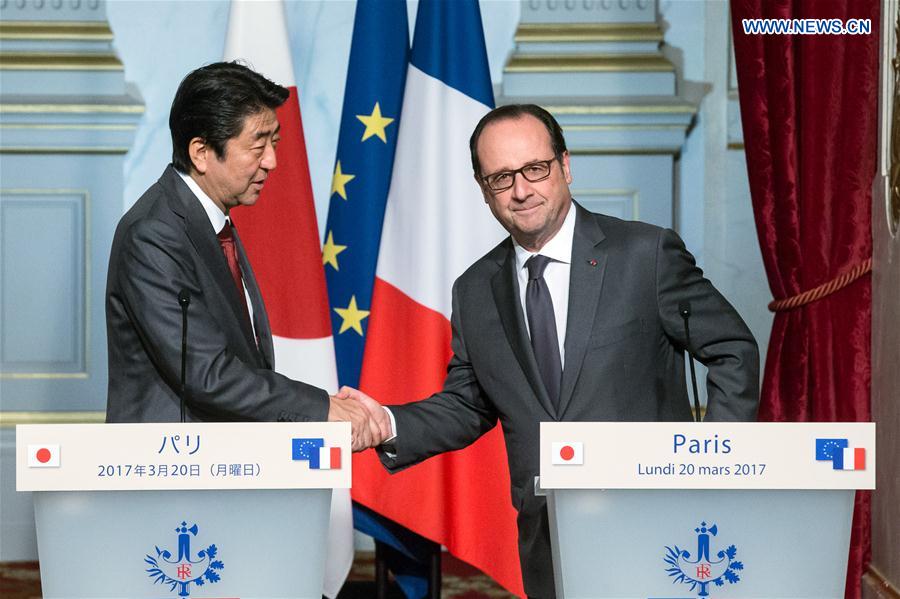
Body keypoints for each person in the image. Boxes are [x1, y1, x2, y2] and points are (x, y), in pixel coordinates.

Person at [351, 104, 760, 598]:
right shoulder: (475, 289)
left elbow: (732, 348)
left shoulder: (644, 255)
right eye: (501, 178)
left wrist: (710, 464)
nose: (521, 190)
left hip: (655, 519)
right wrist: (387, 424)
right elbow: (469, 403)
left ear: (565, 166)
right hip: (548, 534)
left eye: (535, 170)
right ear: (484, 191)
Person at [105, 61, 375, 449]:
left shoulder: (213, 222)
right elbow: (206, 372)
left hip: (230, 470)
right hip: (169, 475)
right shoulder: (154, 234)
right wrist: (321, 407)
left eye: (275, 143)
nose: (272, 161)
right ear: (201, 152)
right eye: (257, 145)